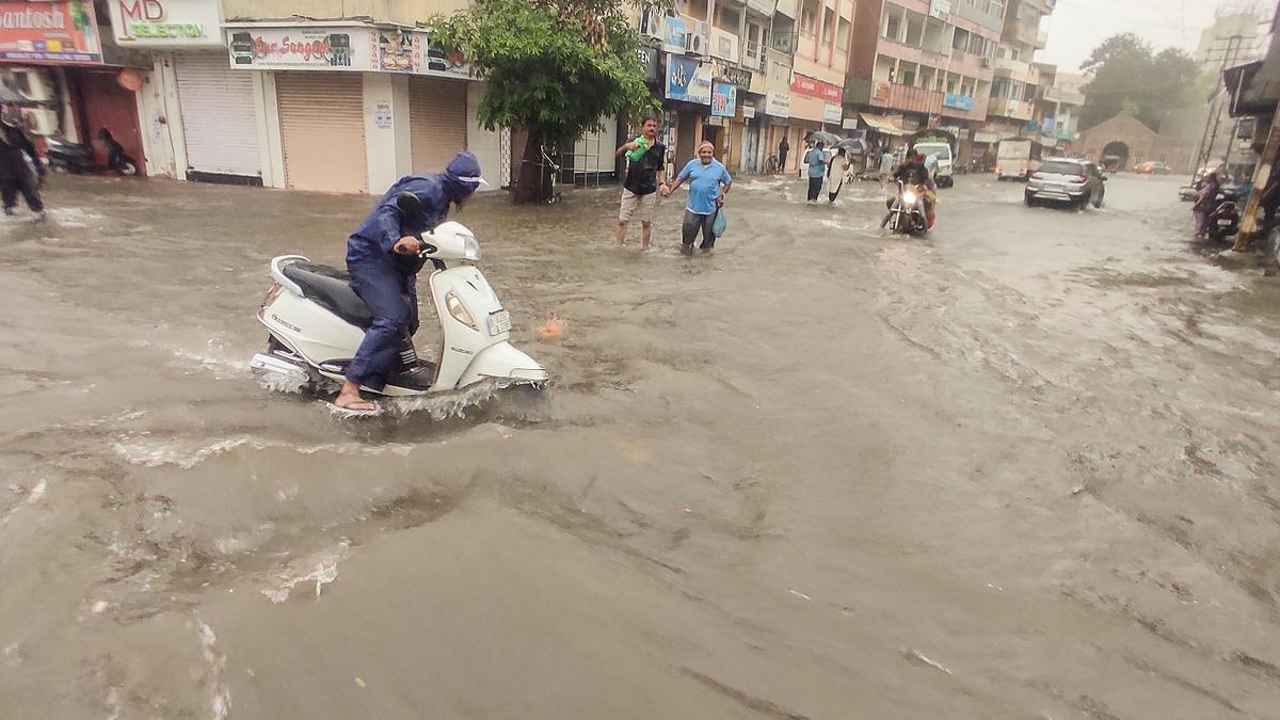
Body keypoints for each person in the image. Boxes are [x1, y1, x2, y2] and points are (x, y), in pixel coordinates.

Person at [335, 151, 487, 411]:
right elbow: (388, 211)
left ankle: (381, 375)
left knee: (410, 321)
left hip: (398, 265)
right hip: (372, 257)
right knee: (392, 318)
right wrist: (395, 240)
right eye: (473, 189)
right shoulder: (427, 188)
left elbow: (428, 234)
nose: (472, 195)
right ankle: (349, 390)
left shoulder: (443, 200)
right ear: (465, 186)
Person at [664, 141, 732, 255]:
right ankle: (686, 264)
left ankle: (704, 267)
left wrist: (722, 194)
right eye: (703, 152)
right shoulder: (692, 164)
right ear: (699, 153)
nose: (706, 154)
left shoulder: (719, 167)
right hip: (692, 208)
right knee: (686, 241)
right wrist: (670, 191)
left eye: (709, 152)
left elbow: (728, 182)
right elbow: (680, 178)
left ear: (712, 153)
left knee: (708, 243)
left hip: (711, 210)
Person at [615, 117, 667, 250]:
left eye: (655, 126)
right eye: (649, 125)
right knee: (622, 220)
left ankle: (645, 250)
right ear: (642, 127)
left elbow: (660, 167)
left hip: (649, 189)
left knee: (646, 222)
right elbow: (617, 154)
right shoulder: (633, 142)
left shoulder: (660, 147)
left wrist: (662, 184)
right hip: (631, 186)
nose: (652, 128)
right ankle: (619, 248)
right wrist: (627, 146)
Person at [0, 105, 44, 220]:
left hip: (23, 172)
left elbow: (30, 149)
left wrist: (39, 167)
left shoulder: (14, 130)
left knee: (35, 203)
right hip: (4, 176)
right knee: (9, 207)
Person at [894, 150, 937, 227]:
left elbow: (925, 180)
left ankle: (925, 224)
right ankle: (884, 224)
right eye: (909, 158)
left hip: (917, 194)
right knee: (893, 206)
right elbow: (895, 175)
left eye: (912, 158)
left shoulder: (921, 167)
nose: (911, 160)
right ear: (906, 158)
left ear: (915, 158)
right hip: (904, 194)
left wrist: (922, 186)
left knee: (921, 206)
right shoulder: (903, 167)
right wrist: (893, 179)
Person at [1192, 171, 1221, 240]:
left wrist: (1196, 205)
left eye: (1208, 177)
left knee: (1200, 223)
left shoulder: (1211, 186)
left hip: (1204, 206)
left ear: (1211, 178)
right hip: (1210, 206)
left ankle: (1198, 237)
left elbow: (1204, 196)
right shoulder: (1215, 185)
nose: (1207, 178)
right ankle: (1202, 235)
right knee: (1205, 223)